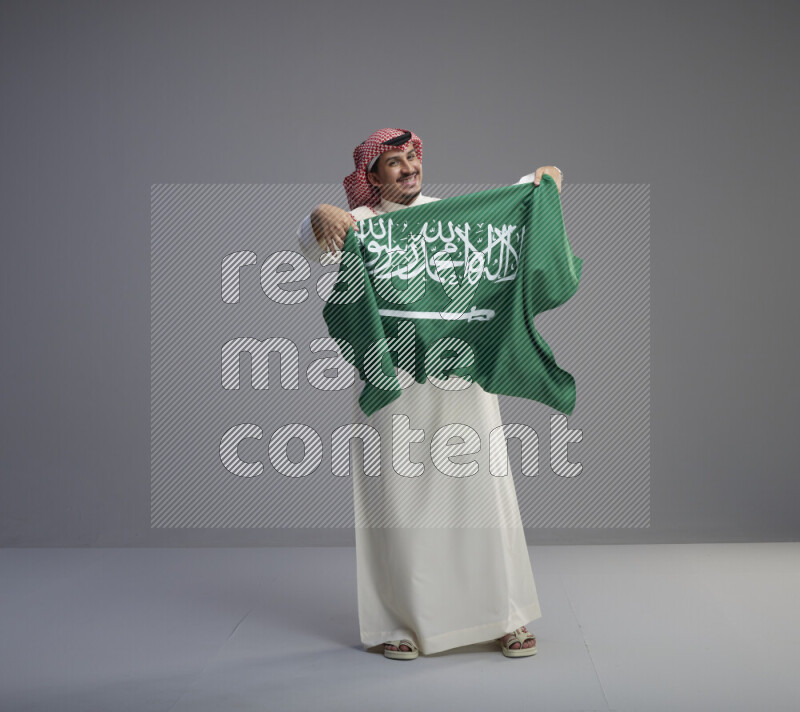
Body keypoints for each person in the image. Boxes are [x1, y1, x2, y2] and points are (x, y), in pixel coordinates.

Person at [296, 127, 562, 660]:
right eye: (393, 162)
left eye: (413, 156)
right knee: (396, 505)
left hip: (463, 380)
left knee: (483, 497)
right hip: (393, 387)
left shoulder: (452, 218)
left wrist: (546, 182)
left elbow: (520, 202)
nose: (408, 167)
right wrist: (316, 213)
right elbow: (307, 246)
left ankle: (506, 616)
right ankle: (399, 623)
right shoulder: (359, 227)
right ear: (371, 177)